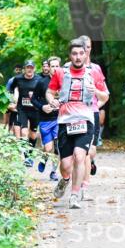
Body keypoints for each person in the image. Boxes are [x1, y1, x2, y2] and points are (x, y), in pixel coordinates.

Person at [48, 39, 108, 209]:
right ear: (70, 55)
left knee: (80, 157)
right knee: (66, 165)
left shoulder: (93, 73)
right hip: (65, 122)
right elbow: (50, 92)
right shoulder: (60, 73)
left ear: (86, 54)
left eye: (81, 53)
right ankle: (65, 179)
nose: (78, 57)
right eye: (74, 54)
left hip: (85, 121)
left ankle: (74, 195)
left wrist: (96, 91)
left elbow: (105, 96)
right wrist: (52, 100)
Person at [77, 35, 107, 184]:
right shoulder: (67, 68)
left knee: (90, 151)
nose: (86, 50)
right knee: (78, 152)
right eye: (83, 47)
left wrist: (94, 106)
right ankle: (79, 182)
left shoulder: (96, 69)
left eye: (88, 47)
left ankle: (84, 184)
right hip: (75, 115)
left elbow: (105, 95)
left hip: (92, 113)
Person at [10, 60, 42, 166]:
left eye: (31, 67)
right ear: (24, 69)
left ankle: (30, 154)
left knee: (33, 135)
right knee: (24, 133)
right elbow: (12, 89)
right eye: (28, 67)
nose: (29, 69)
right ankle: (27, 157)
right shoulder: (18, 79)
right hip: (22, 109)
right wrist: (13, 101)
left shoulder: (39, 79)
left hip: (35, 110)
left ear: (34, 69)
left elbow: (43, 92)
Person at [32, 59, 60, 180]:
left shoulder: (64, 81)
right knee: (48, 148)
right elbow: (33, 99)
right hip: (45, 119)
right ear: (48, 67)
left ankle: (53, 172)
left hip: (60, 119)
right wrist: (42, 107)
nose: (55, 68)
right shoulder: (42, 82)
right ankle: (44, 157)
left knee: (58, 147)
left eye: (57, 66)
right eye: (52, 66)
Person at [5, 65, 22, 135]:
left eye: (19, 70)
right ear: (14, 71)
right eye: (16, 70)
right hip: (12, 100)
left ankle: (16, 133)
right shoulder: (11, 80)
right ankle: (7, 128)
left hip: (20, 101)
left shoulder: (23, 80)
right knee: (9, 116)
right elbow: (7, 91)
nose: (18, 71)